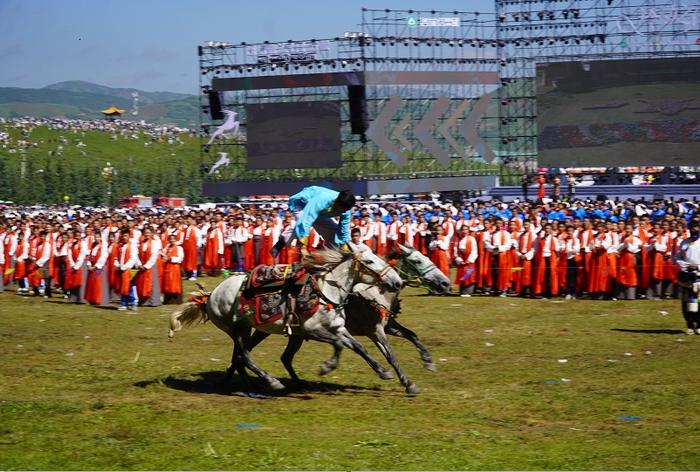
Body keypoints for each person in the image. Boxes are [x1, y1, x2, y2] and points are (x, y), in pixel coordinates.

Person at [271, 186, 356, 257]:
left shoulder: (346, 210)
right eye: (342, 209)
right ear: (337, 202)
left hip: (319, 212)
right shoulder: (323, 199)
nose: (343, 212)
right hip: (301, 204)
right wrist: (303, 248)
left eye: (346, 210)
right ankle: (280, 244)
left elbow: (343, 229)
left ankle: (329, 257)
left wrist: (344, 247)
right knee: (301, 225)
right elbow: (307, 219)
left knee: (333, 232)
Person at [676, 220, 700, 335]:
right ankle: (690, 324)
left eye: (696, 228)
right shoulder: (684, 243)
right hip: (687, 276)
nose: (694, 230)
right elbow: (677, 258)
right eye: (692, 228)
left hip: (699, 276)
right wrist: (687, 266)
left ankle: (699, 325)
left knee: (698, 301)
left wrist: (697, 267)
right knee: (686, 301)